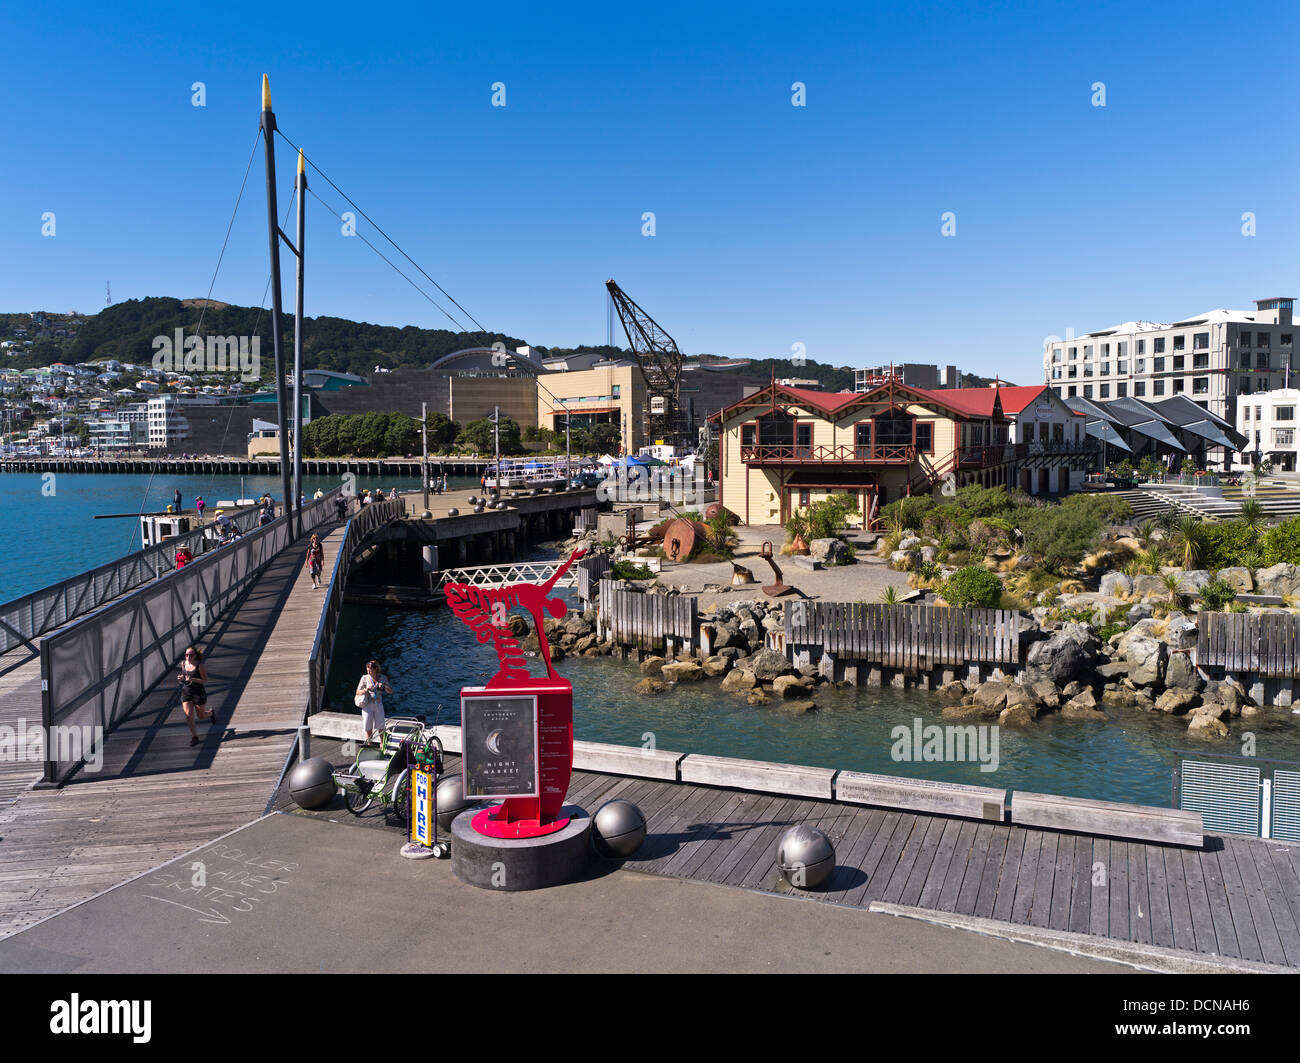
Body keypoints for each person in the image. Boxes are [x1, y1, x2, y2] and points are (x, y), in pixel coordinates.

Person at [177, 645, 216, 746]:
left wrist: (192, 679)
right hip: (187, 691)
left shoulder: (199, 666)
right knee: (189, 715)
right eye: (186, 655)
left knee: (201, 716)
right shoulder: (183, 664)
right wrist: (181, 678)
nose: (188, 657)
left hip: (198, 692)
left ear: (195, 655)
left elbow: (205, 680)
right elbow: (184, 676)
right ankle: (195, 737)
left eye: (190, 655)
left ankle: (211, 713)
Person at [355, 660, 392, 744]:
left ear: (376, 669)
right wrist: (365, 689)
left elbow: (390, 691)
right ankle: (369, 743)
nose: (368, 672)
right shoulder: (364, 678)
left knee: (381, 726)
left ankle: (382, 743)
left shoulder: (383, 678)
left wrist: (384, 686)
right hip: (367, 704)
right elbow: (357, 692)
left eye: (370, 670)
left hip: (378, 704)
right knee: (368, 726)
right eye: (367, 670)